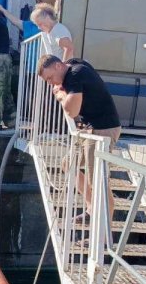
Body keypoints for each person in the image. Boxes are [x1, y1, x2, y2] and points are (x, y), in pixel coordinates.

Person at [37, 54, 121, 220]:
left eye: (50, 78)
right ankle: (91, 208)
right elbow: (70, 51)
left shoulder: (74, 75)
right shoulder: (71, 65)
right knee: (68, 164)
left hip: (103, 130)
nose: (51, 83)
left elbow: (72, 111)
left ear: (58, 66)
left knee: (98, 182)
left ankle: (104, 231)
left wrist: (61, 96)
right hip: (92, 129)